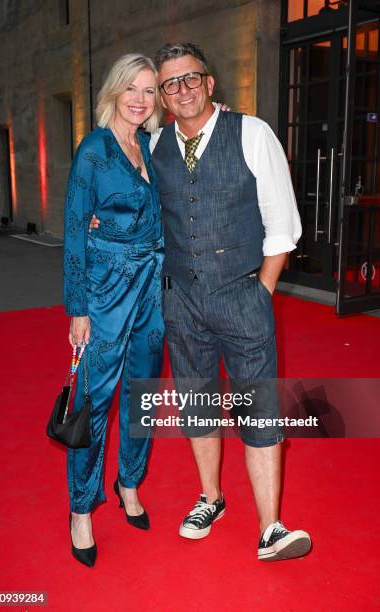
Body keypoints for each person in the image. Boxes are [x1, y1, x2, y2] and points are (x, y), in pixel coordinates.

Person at [90, 42, 311, 561]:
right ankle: (210, 498)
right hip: (181, 302)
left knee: (259, 412)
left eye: (191, 78)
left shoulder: (252, 134)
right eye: (170, 83)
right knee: (197, 407)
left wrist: (261, 292)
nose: (182, 89)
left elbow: (283, 227)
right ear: (163, 98)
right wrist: (103, 220)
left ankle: (271, 527)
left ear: (210, 83)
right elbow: (132, 200)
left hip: (243, 295)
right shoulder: (154, 145)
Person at [63, 53, 164, 567]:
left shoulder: (148, 143)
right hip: (105, 290)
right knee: (95, 400)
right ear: (115, 91)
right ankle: (82, 509)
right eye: (133, 88)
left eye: (150, 91)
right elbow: (76, 231)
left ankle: (129, 483)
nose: (140, 99)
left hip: (150, 289)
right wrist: (77, 307)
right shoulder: (94, 150)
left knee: (142, 394)